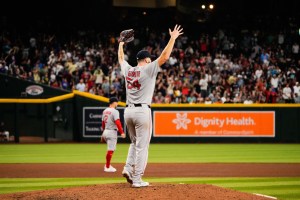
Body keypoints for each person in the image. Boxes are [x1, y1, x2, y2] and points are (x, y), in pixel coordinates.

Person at [118, 25, 183, 187]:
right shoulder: (148, 69)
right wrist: (173, 38)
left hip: (128, 111)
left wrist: (120, 43)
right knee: (142, 147)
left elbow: (121, 59)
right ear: (146, 60)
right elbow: (165, 57)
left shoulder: (129, 70)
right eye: (149, 58)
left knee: (134, 143)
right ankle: (137, 179)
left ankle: (127, 168)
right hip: (142, 111)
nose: (150, 60)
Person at [101, 97, 125, 172]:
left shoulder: (105, 110)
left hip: (106, 131)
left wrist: (103, 133)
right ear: (114, 102)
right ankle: (107, 167)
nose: (117, 104)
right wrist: (122, 132)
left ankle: (107, 164)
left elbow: (103, 123)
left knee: (111, 149)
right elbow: (118, 122)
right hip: (111, 132)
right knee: (111, 150)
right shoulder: (115, 111)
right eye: (117, 102)